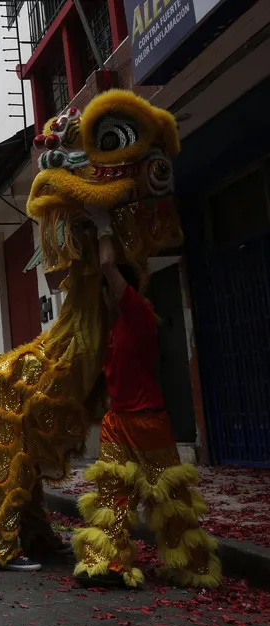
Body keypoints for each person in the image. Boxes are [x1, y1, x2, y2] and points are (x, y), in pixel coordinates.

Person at [70, 219, 221, 589]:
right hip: (117, 422)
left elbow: (108, 266)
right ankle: (107, 562)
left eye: (107, 290)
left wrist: (103, 220)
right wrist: (86, 236)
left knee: (169, 502)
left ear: (117, 290)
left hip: (148, 422)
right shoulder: (111, 326)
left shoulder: (137, 313)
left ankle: (192, 566)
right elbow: (96, 269)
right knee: (111, 495)